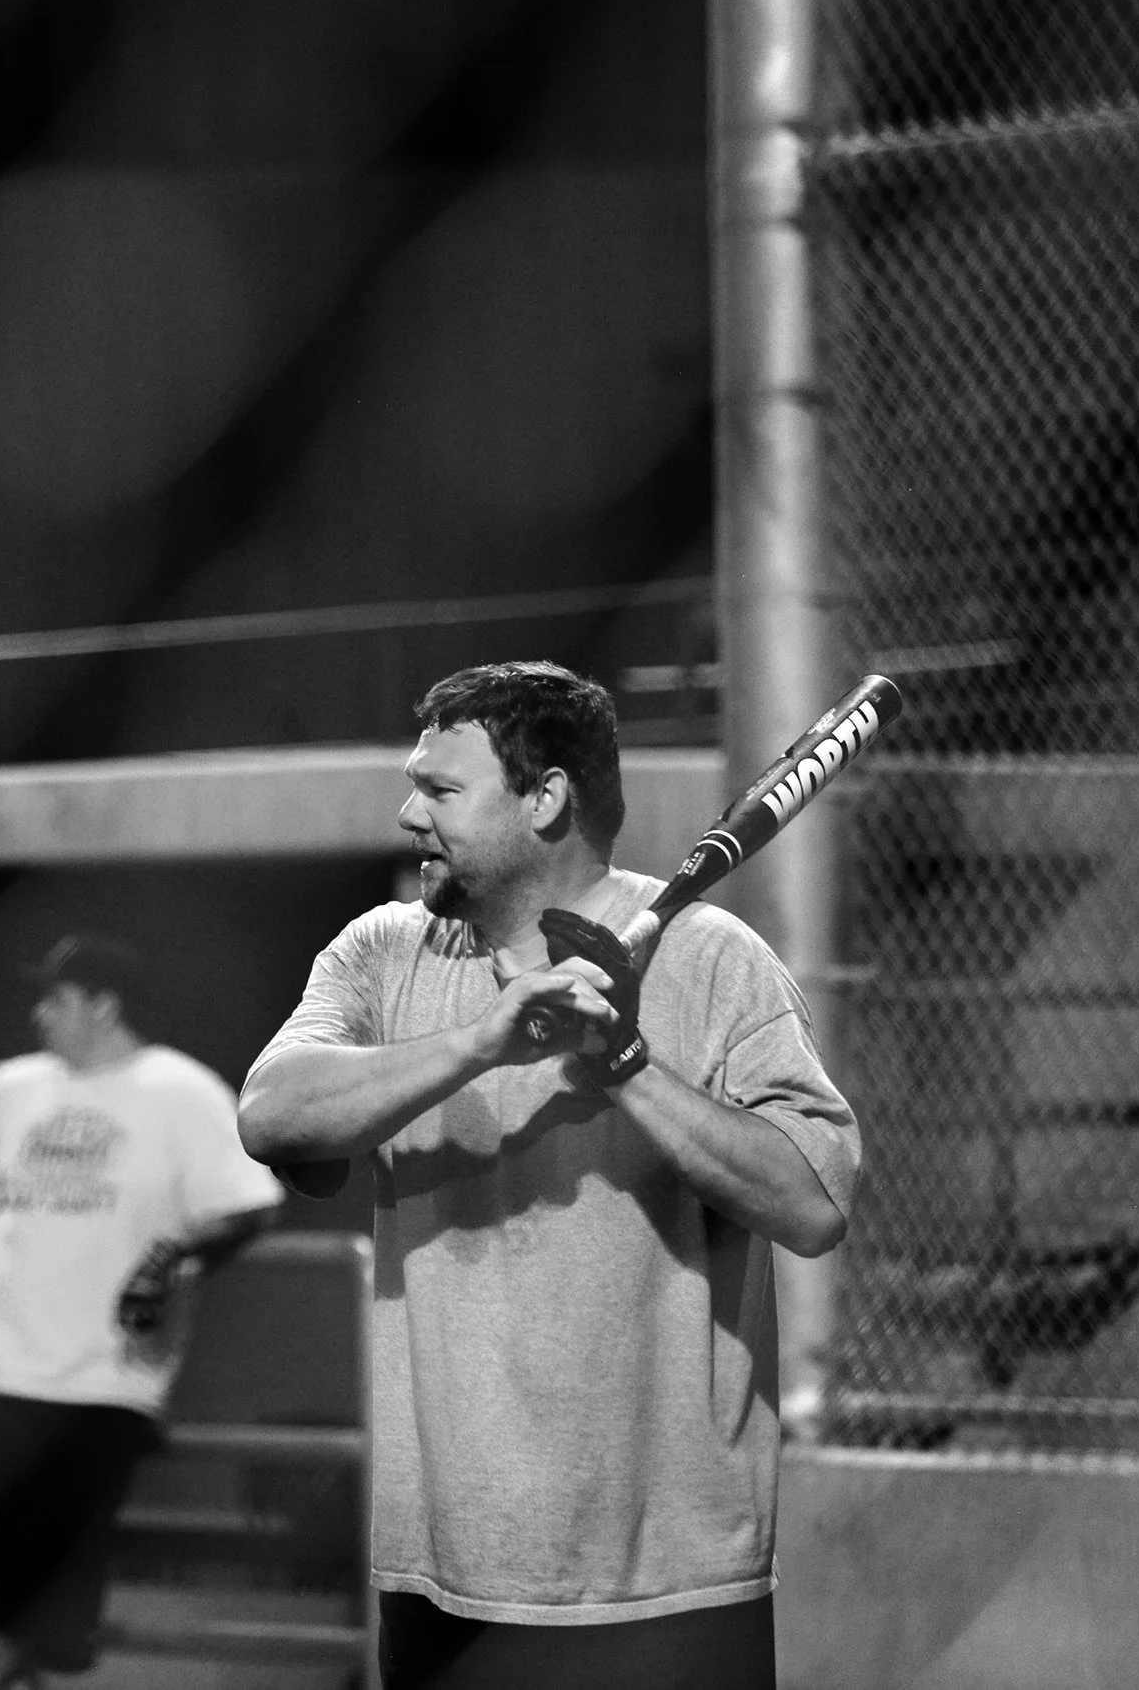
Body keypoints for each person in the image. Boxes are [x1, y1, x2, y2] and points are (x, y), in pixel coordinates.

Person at [237, 662, 862, 1690]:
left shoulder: (714, 959)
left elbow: (811, 1204)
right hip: (444, 1578)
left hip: (669, 1585)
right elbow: (270, 1113)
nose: (408, 814)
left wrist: (626, 1066)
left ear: (545, 798)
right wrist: (481, 1040)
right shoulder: (386, 952)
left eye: (440, 790)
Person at [0, 934, 287, 1690]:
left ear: (103, 1006)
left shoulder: (180, 1090)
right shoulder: (17, 1083)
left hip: (101, 1371)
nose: (39, 1013)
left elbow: (251, 1203)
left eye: (56, 999)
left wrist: (179, 1254)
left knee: (51, 1598)